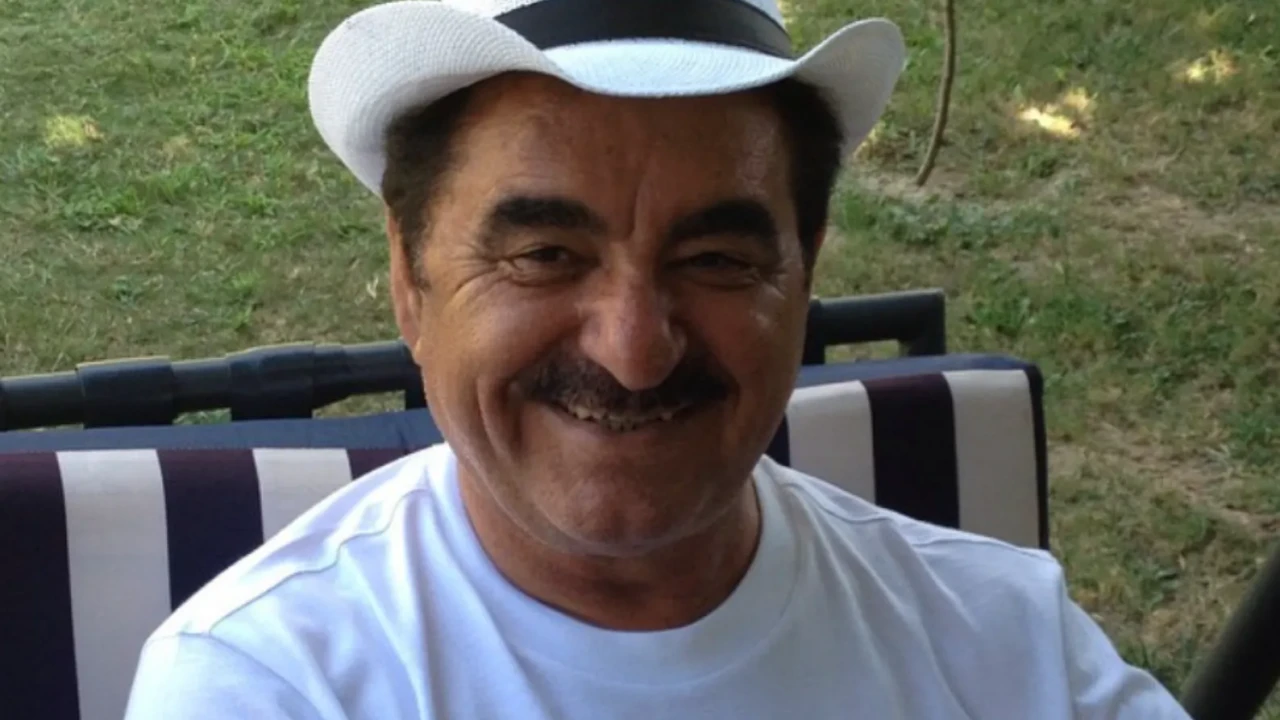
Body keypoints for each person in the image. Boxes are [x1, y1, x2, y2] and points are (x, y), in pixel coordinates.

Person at [125, 0, 1192, 717]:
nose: (634, 350)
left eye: (716, 259)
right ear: (411, 280)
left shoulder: (1006, 646)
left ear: (805, 275)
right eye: (545, 255)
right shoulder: (267, 686)